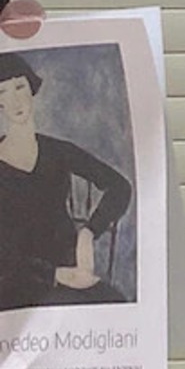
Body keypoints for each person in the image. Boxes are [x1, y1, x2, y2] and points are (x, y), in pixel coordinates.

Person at [0, 52, 132, 311]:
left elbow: (120, 187)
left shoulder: (58, 151)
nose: (15, 99)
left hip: (71, 271)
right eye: (2, 91)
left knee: (115, 303)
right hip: (15, 279)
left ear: (32, 89)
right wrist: (53, 274)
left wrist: (88, 232)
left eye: (20, 87)